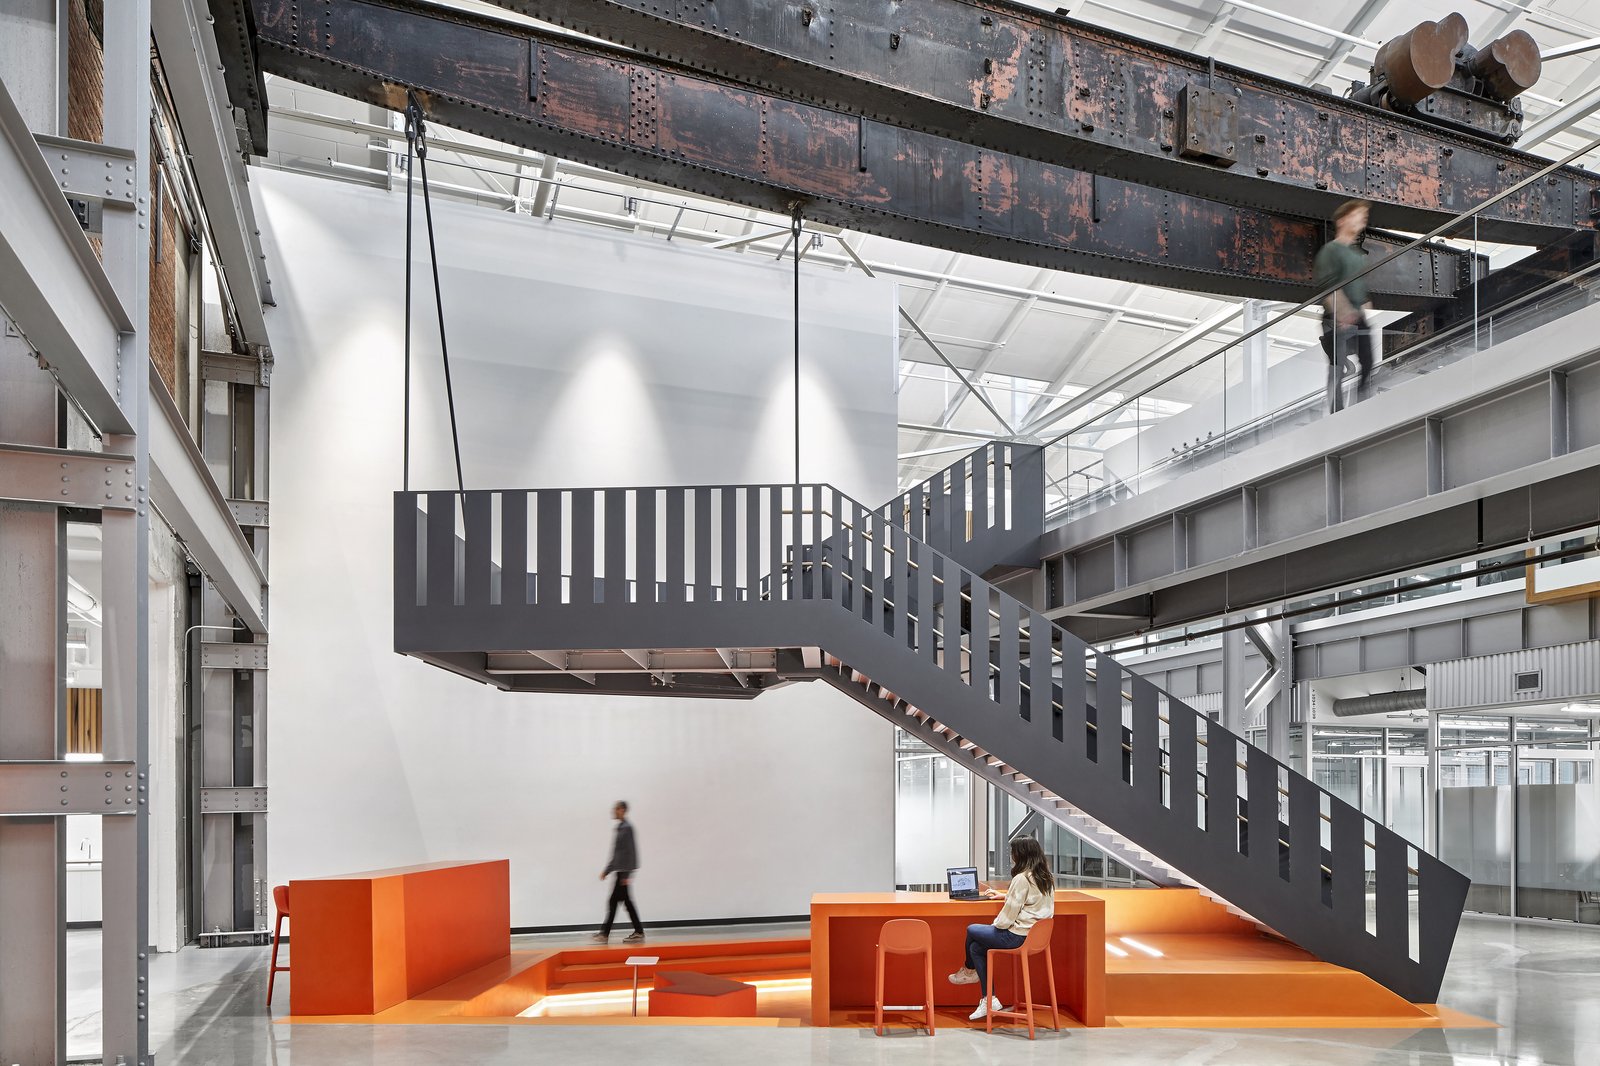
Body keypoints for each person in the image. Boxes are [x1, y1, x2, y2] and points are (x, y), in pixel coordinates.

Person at [947, 835, 1055, 1021]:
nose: (1011, 856)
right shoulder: (1045, 877)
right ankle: (989, 999)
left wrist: (993, 928)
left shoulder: (1021, 878)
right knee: (976, 948)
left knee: (973, 930)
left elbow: (1007, 918)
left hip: (1017, 937)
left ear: (1020, 854)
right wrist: (1004, 895)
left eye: (1013, 852)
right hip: (1036, 938)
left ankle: (969, 971)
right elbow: (1031, 902)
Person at [1312, 199, 1376, 412]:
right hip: (1336, 318)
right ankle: (1336, 412)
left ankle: (1362, 406)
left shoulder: (1356, 254)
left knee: (1367, 361)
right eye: (1358, 214)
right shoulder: (1331, 251)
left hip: (1357, 316)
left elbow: (1355, 285)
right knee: (1338, 366)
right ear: (1343, 220)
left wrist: (1363, 302)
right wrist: (1342, 313)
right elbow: (1329, 287)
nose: (1362, 219)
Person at [594, 800, 644, 943]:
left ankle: (605, 934)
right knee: (622, 902)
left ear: (622, 810)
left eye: (615, 809)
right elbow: (617, 853)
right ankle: (608, 933)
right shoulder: (621, 827)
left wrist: (627, 874)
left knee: (617, 902)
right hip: (620, 871)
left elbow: (631, 852)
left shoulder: (627, 828)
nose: (613, 811)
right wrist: (608, 870)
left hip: (623, 872)